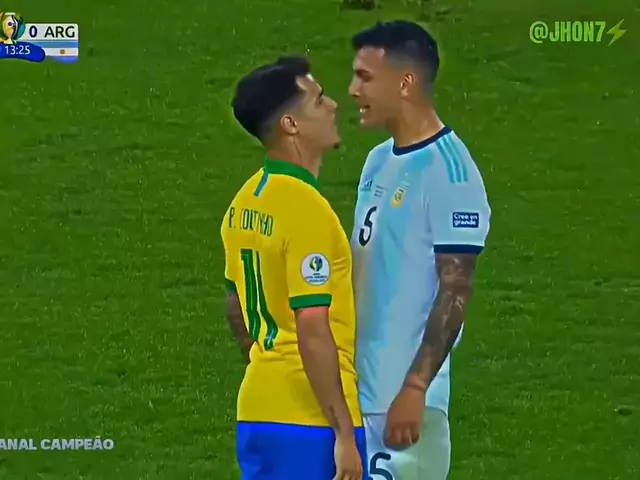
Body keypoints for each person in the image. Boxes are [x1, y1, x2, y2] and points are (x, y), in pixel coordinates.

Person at [348, 20, 491, 479]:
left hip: (404, 407)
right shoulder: (378, 160)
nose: (352, 90)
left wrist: (415, 387)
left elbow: (456, 289)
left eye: (365, 77)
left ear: (405, 82)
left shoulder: (450, 173)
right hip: (356, 397)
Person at [221, 55, 367, 480]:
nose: (333, 105)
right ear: (291, 124)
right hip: (310, 423)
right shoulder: (307, 210)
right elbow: (312, 325)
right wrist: (343, 433)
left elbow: (235, 304)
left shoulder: (245, 201)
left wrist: (265, 367)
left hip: (257, 410)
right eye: (319, 100)